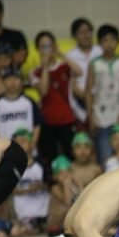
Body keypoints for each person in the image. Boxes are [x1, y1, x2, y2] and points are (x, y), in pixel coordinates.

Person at [31, 31, 81, 165]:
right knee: (50, 160)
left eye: (49, 45)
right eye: (43, 46)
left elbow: (79, 71)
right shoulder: (35, 72)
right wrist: (45, 66)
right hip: (47, 122)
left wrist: (61, 54)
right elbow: (44, 91)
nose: (47, 49)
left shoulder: (64, 66)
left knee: (71, 157)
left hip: (67, 119)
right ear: (38, 49)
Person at [86, 25, 119, 167]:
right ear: (99, 43)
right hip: (101, 117)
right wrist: (91, 116)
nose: (109, 44)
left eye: (112, 40)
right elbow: (88, 90)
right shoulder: (95, 64)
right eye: (105, 40)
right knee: (105, 160)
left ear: (117, 42)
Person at [0, 66, 42, 141]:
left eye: (16, 79)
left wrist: (32, 145)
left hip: (27, 149)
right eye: (9, 79)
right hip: (5, 149)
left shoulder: (29, 102)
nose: (12, 82)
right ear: (3, 81)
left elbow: (37, 126)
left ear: (21, 81)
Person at [66, 18, 101, 125]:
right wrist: (87, 98)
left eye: (88, 31)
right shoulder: (70, 56)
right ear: (74, 36)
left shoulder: (100, 51)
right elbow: (71, 84)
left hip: (102, 98)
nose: (85, 35)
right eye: (81, 32)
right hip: (81, 98)